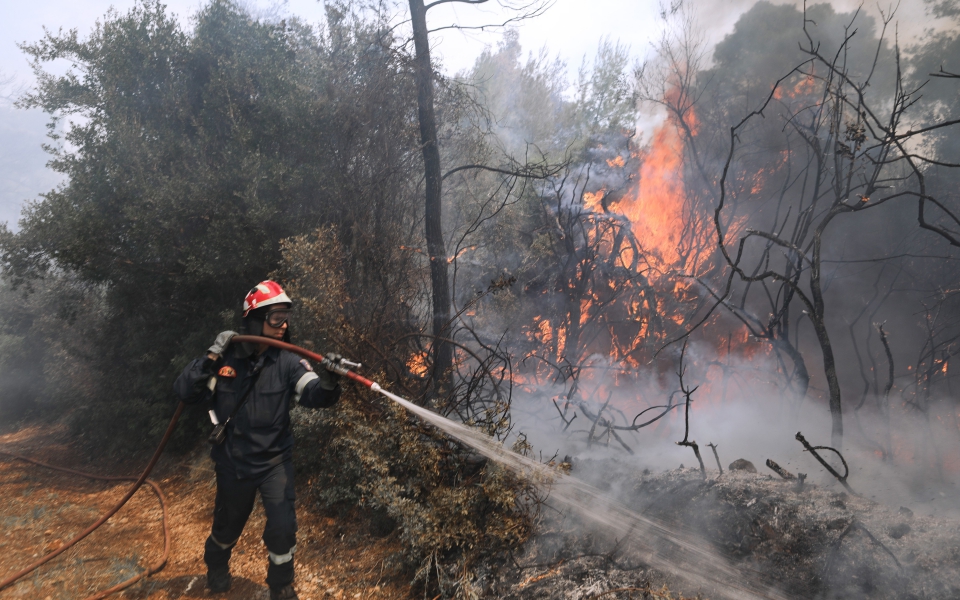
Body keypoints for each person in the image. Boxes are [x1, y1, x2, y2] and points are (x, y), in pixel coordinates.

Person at [174, 280, 341, 600]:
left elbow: (314, 394)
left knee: (282, 528)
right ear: (254, 319)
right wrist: (210, 356)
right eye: (276, 317)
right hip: (233, 461)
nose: (283, 325)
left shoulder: (289, 361)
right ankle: (217, 570)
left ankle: (280, 586)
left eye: (286, 317)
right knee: (227, 527)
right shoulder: (225, 360)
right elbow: (184, 392)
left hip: (274, 461)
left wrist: (330, 382)